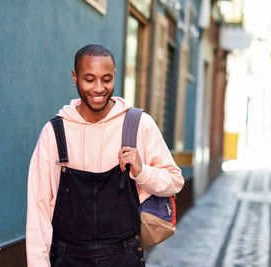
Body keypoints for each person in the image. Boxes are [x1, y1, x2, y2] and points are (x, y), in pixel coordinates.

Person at [26, 44, 184, 267]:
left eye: (106, 79)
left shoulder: (138, 124)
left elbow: (174, 183)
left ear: (115, 76)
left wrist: (142, 171)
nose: (99, 88)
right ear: (75, 77)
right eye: (89, 79)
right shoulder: (54, 133)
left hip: (124, 256)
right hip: (67, 258)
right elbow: (38, 213)